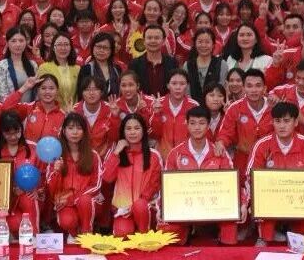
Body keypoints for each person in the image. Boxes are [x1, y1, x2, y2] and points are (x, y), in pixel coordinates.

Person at [159, 106, 237, 245]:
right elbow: (166, 187)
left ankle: (224, 249)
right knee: (167, 229)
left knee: (231, 223)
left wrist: (241, 204)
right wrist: (162, 209)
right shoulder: (175, 153)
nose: (197, 127)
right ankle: (186, 234)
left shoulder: (219, 152)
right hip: (185, 207)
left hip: (215, 206)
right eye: (193, 123)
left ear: (208, 125)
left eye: (201, 123)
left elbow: (232, 183)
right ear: (187, 125)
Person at [245, 102, 304, 246]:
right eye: (277, 121)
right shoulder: (262, 144)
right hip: (271, 197)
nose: (282, 126)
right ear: (272, 122)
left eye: (286, 121)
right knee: (260, 201)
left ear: (296, 122)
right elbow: (249, 177)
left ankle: (294, 234)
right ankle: (264, 237)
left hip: (298, 198)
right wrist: (252, 200)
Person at [101, 113, 162, 236]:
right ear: (123, 132)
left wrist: (136, 205)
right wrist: (116, 153)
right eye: (128, 129)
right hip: (123, 209)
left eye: (137, 128)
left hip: (146, 207)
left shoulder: (154, 155)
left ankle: (145, 236)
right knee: (122, 234)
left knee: (140, 206)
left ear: (143, 131)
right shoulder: (116, 154)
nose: (132, 132)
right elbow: (107, 178)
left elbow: (155, 184)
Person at [48, 112, 103, 243]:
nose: (75, 132)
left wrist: (72, 199)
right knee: (67, 221)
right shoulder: (56, 156)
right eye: (71, 128)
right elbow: (51, 188)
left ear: (84, 132)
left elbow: (96, 185)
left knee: (84, 200)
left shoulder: (93, 155)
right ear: (64, 131)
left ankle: (86, 233)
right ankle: (74, 234)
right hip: (65, 202)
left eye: (79, 128)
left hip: (89, 201)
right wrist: (56, 172)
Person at [215, 69, 273, 180]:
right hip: (242, 160)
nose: (253, 90)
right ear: (244, 88)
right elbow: (225, 133)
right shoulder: (235, 108)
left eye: (258, 86)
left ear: (265, 88)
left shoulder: (273, 107)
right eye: (249, 86)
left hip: (269, 160)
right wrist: (221, 142)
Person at [0, 111, 43, 235]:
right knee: (14, 224)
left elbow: (43, 174)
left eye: (16, 132)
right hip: (7, 201)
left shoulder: (33, 148)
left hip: (30, 197)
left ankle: (34, 236)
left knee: (29, 198)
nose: (13, 137)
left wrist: (38, 190)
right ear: (1, 132)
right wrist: (11, 191)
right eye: (8, 133)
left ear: (22, 129)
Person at [149, 69, 200, 158]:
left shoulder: (194, 106)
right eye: (174, 83)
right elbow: (154, 135)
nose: (178, 87)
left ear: (187, 86)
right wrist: (157, 114)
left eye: (182, 84)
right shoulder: (157, 104)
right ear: (168, 85)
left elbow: (198, 134)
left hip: (187, 157)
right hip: (163, 157)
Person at [1, 74, 65, 142]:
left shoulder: (63, 116)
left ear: (57, 91)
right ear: (38, 90)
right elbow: (5, 108)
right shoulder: (28, 108)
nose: (47, 92)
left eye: (51, 88)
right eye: (43, 88)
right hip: (26, 149)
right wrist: (25, 87)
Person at [72, 76, 119, 156]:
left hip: (105, 156)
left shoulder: (110, 109)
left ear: (101, 92)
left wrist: (115, 117)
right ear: (82, 93)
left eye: (95, 89)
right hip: (82, 156)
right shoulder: (75, 110)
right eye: (87, 89)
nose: (91, 93)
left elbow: (115, 138)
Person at [127, 25, 178, 96]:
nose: (153, 41)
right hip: (142, 102)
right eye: (149, 38)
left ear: (163, 41)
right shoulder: (134, 64)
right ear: (144, 41)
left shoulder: (172, 63)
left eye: (157, 38)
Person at [184, 28, 229, 103]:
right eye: (200, 42)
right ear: (195, 44)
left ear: (213, 44)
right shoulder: (188, 65)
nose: (203, 45)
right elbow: (186, 91)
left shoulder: (221, 64)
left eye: (207, 42)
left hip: (216, 105)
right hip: (193, 107)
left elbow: (222, 89)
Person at [37, 32, 80, 110]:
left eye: (66, 44)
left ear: (71, 47)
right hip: (52, 111)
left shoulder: (77, 69)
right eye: (59, 44)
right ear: (53, 48)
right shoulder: (44, 68)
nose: (63, 48)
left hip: (73, 112)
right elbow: (42, 93)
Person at [0, 26, 39, 103]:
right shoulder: (1, 66)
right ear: (7, 43)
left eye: (21, 41)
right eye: (13, 41)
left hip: (31, 108)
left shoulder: (33, 65)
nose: (18, 44)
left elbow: (38, 92)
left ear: (26, 42)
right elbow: (1, 96)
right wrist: (24, 88)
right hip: (12, 108)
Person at [77, 32, 122, 99]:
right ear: (93, 48)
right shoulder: (86, 69)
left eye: (105, 48)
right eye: (98, 47)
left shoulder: (117, 69)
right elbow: (81, 94)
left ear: (111, 50)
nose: (101, 50)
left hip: (115, 105)